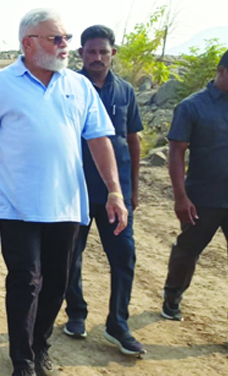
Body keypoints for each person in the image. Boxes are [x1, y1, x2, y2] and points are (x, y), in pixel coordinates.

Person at [0, 8, 128, 376]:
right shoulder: (2, 84)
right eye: (56, 39)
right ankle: (22, 360)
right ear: (29, 43)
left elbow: (99, 139)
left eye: (66, 39)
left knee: (56, 283)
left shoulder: (78, 85)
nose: (65, 46)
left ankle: (40, 346)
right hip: (17, 205)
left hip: (68, 204)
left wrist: (115, 192)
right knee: (25, 282)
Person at [63, 25, 145, 355]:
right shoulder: (69, 88)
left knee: (124, 257)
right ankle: (76, 314)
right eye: (91, 51)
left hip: (116, 195)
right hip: (76, 192)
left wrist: (132, 189)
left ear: (113, 53)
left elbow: (134, 140)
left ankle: (118, 325)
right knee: (71, 258)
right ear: (80, 53)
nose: (97, 57)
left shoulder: (125, 91)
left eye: (104, 51)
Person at [161, 49, 228, 323]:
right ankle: (173, 296)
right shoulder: (192, 107)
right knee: (187, 251)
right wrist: (181, 197)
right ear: (221, 71)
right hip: (202, 197)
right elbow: (177, 153)